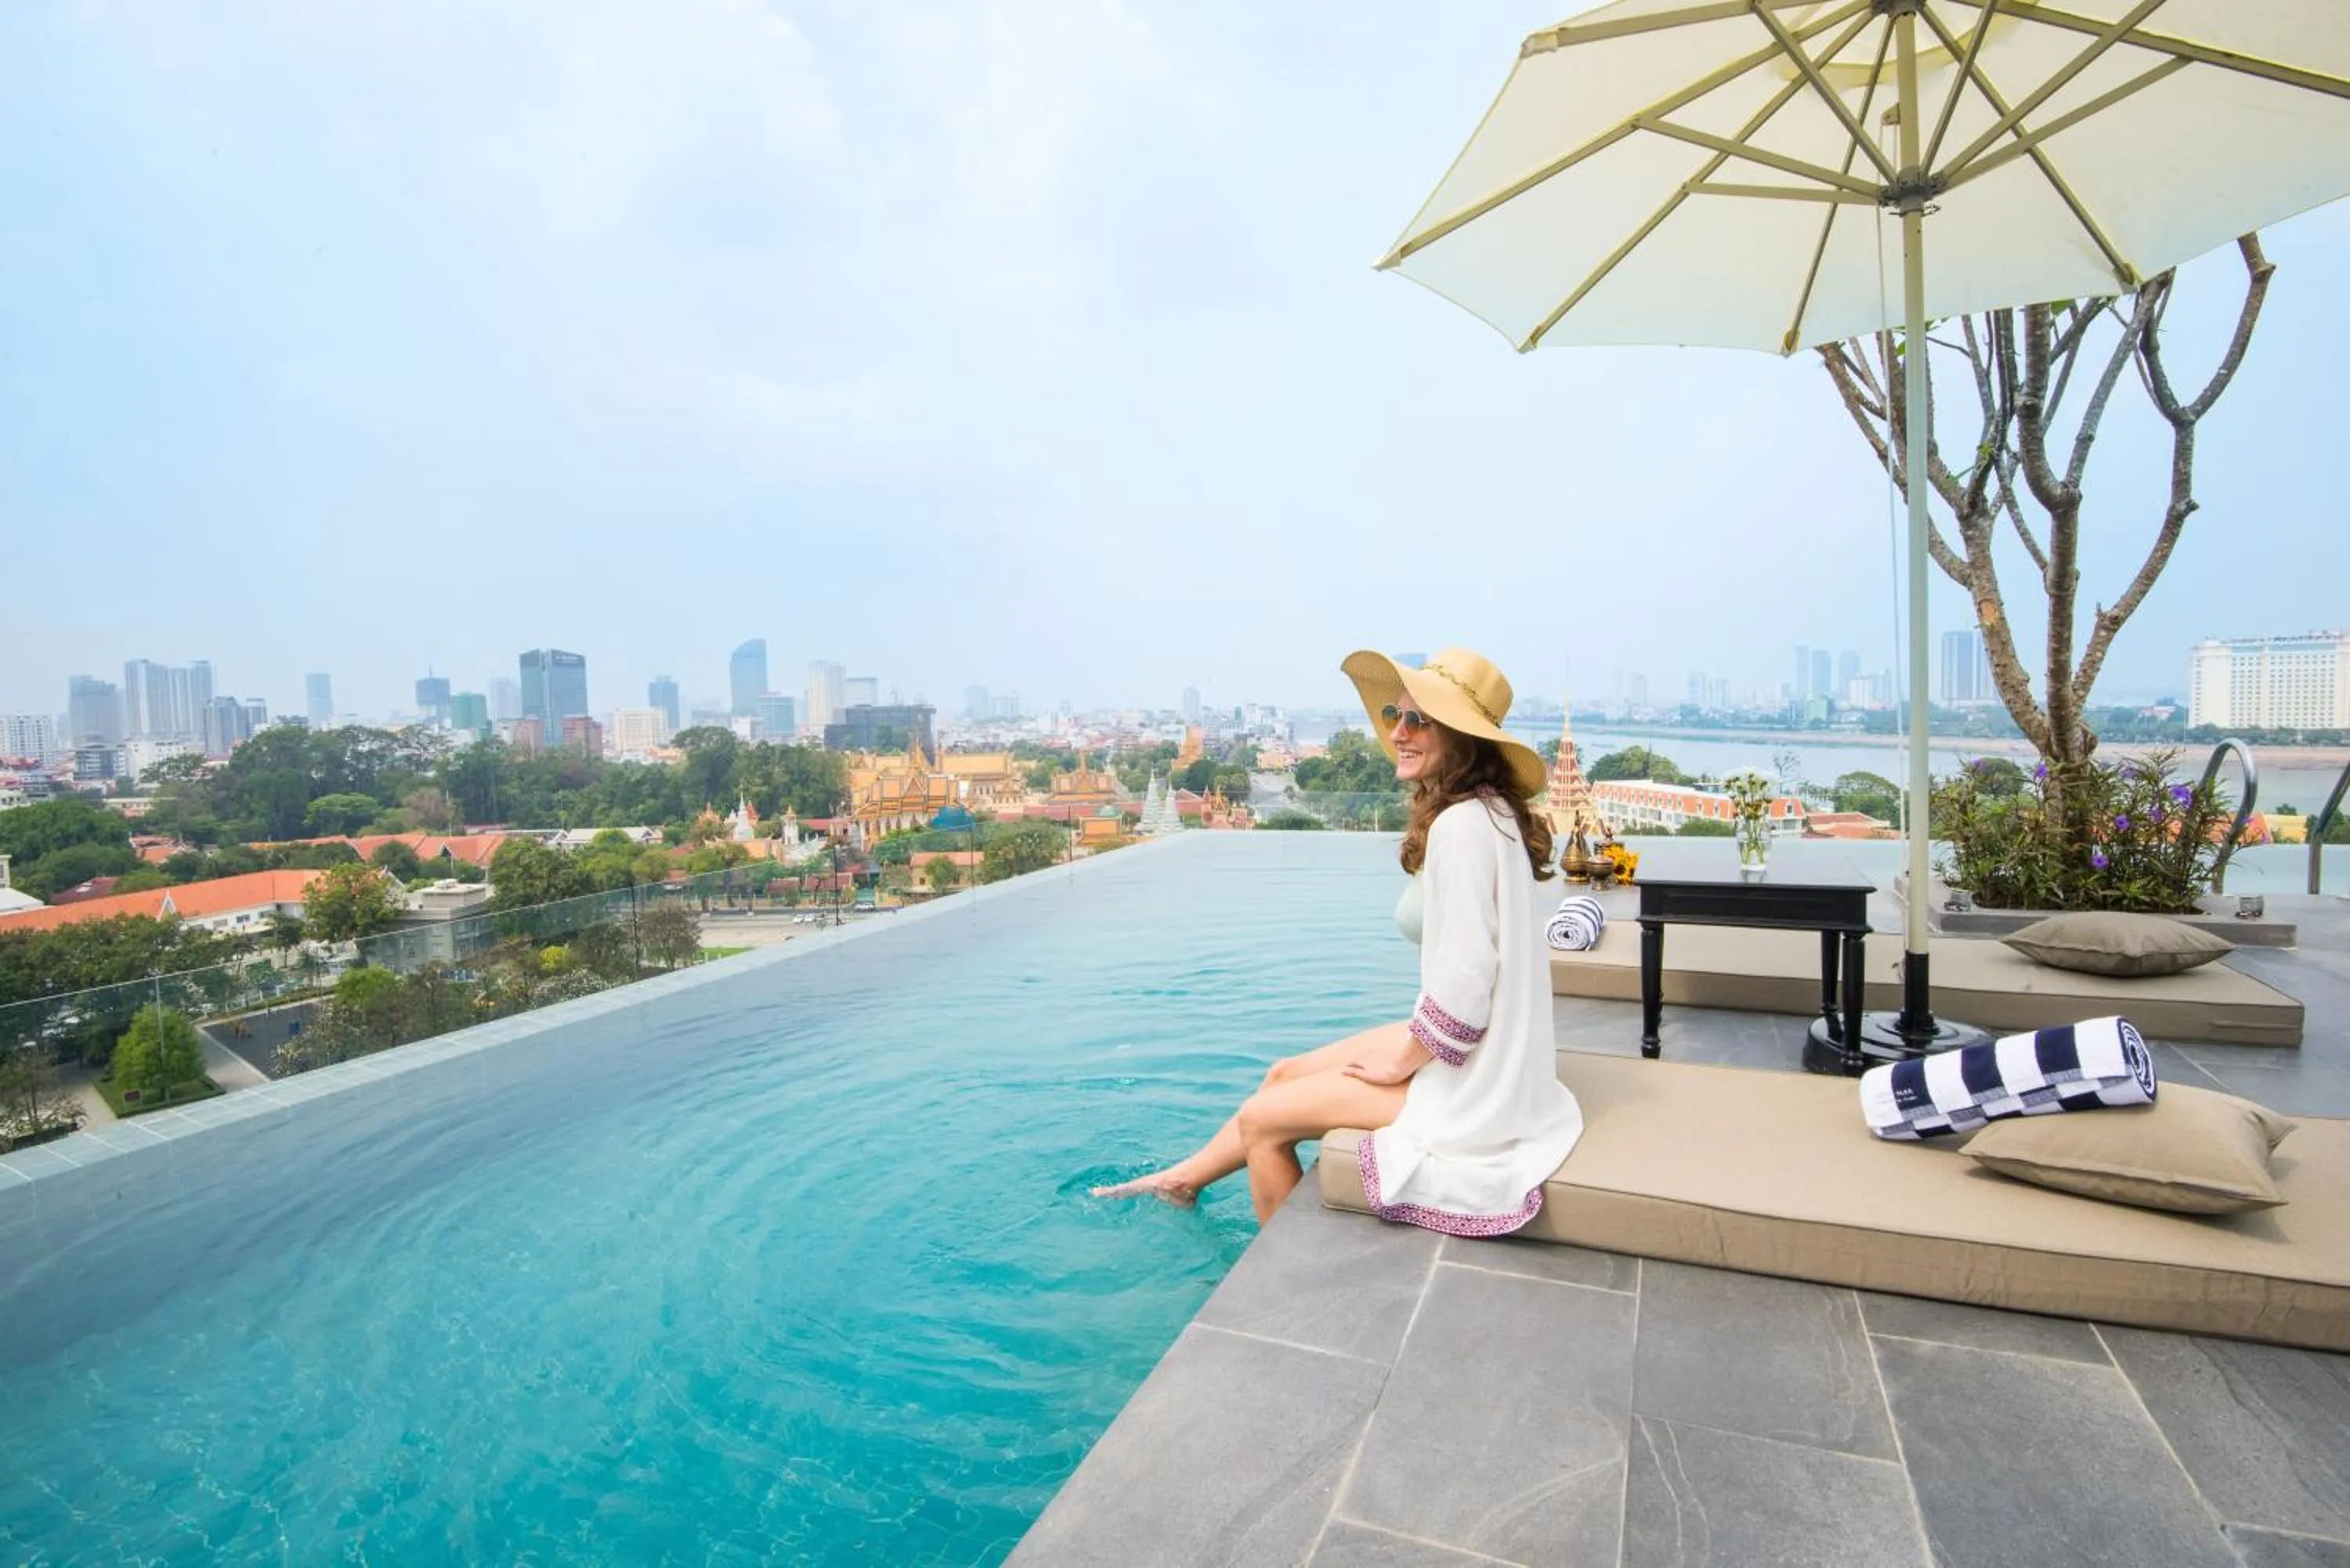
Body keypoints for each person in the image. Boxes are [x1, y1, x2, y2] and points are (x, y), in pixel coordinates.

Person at [1095, 646, 1585, 1232]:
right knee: (1282, 1074)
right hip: (1498, 1056)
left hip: (1475, 1089)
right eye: (1393, 715)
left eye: (1418, 720)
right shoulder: (1492, 811)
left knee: (1260, 1121)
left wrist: (1401, 1062)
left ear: (1461, 737)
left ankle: (1286, 1281)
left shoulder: (1461, 826)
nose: (1398, 732)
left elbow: (1467, 981)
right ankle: (1183, 1181)